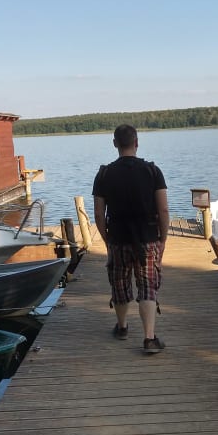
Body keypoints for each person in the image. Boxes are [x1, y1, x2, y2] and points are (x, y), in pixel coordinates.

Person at [92, 124, 169, 354]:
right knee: (147, 286)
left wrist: (107, 239)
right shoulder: (152, 171)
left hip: (118, 239)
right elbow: (163, 210)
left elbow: (98, 213)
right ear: (136, 142)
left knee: (120, 284)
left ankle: (123, 327)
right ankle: (149, 338)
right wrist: (162, 239)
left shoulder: (104, 174)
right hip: (147, 238)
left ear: (115, 143)